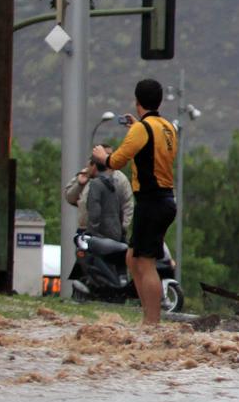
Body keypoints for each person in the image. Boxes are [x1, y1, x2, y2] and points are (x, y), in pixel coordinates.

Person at [105, 79, 179, 326]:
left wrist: (101, 157)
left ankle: (152, 322)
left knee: (146, 263)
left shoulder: (141, 130)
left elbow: (116, 161)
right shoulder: (167, 127)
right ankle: (148, 317)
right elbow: (152, 145)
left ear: (137, 101)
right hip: (164, 199)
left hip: (152, 200)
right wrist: (138, 127)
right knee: (132, 257)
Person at [63, 144, 133, 244]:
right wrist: (80, 184)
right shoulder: (86, 174)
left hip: (111, 232)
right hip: (85, 230)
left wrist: (122, 229)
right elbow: (70, 198)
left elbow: (128, 206)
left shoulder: (120, 179)